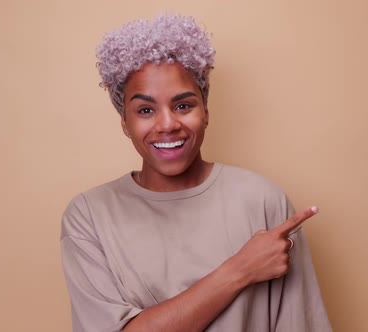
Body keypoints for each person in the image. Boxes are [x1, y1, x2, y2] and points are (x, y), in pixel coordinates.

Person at [61, 14, 333, 332]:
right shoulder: (89, 215)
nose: (167, 124)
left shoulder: (262, 201)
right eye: (145, 110)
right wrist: (239, 270)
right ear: (125, 122)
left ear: (205, 111)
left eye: (183, 105)